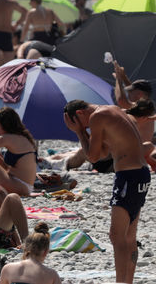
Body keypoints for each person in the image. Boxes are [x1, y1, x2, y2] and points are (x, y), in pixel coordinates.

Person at [64, 100, 150, 284]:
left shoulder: (97, 117)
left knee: (116, 235)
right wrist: (83, 131)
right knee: (128, 236)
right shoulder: (112, 110)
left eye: (80, 122)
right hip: (141, 174)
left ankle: (120, 282)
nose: (86, 127)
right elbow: (102, 153)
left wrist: (79, 132)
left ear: (80, 113)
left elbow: (93, 157)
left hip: (128, 176)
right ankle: (127, 282)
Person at [0, 108, 38, 196]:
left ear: (6, 125)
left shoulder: (7, 138)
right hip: (23, 185)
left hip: (19, 186)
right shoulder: (22, 137)